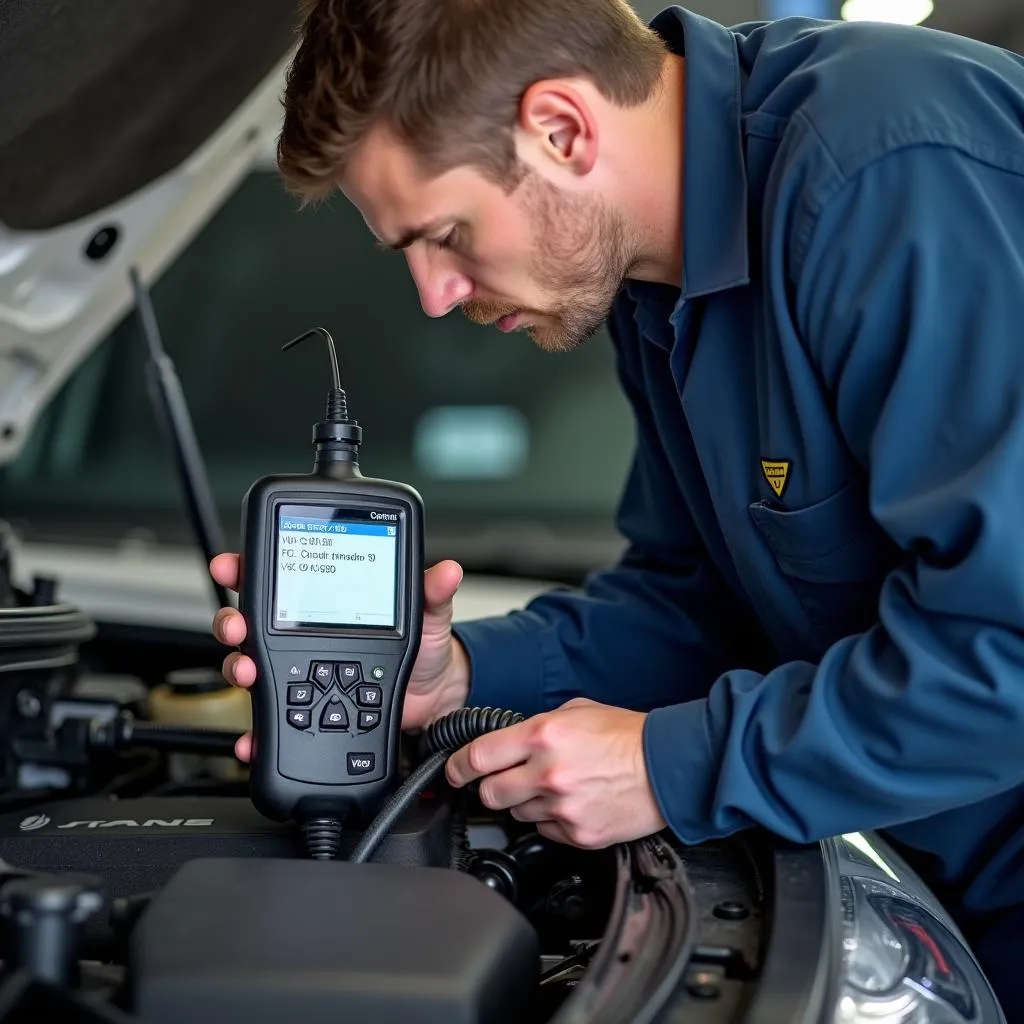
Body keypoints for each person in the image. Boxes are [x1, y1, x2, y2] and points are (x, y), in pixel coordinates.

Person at [210, 0, 1024, 1012]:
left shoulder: (886, 172)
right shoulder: (653, 287)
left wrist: (667, 764)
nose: (431, 294)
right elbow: (696, 606)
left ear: (561, 129)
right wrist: (456, 673)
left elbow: (1007, 647)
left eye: (446, 234)